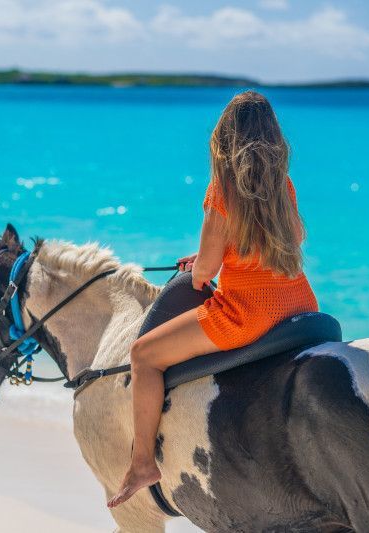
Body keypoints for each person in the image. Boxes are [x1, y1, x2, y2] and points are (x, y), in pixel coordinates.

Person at [107, 90, 319, 508]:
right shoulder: (283, 185)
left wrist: (206, 264)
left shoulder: (222, 190)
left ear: (225, 137)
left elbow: (203, 273)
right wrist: (226, 253)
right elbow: (297, 237)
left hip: (247, 314)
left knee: (143, 354)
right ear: (273, 137)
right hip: (298, 304)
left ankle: (143, 462)